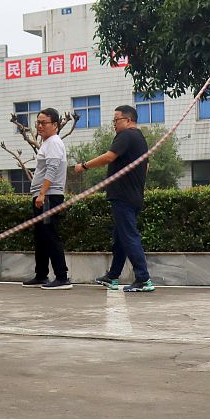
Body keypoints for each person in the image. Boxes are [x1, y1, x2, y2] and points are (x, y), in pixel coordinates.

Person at [73, 105, 153, 293]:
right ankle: (113, 276)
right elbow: (146, 168)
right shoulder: (140, 139)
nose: (114, 125)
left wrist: (84, 166)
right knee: (120, 238)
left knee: (129, 236)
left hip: (123, 196)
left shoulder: (126, 136)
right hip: (133, 195)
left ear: (127, 120)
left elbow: (109, 157)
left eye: (116, 120)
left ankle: (143, 278)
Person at [24, 108, 72, 290]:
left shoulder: (53, 142)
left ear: (55, 125)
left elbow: (52, 169)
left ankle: (62, 276)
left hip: (49, 196)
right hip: (43, 195)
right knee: (41, 236)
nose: (40, 126)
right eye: (38, 122)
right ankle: (41, 275)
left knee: (50, 235)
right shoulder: (47, 143)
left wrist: (43, 193)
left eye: (44, 123)